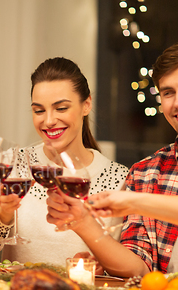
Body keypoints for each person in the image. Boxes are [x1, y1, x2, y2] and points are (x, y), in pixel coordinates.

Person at [0, 57, 129, 267]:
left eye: (61, 108)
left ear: (86, 105)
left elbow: (126, 265)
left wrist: (100, 265)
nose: (49, 121)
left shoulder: (119, 177)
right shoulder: (12, 164)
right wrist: (4, 214)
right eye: (39, 110)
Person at [46, 42, 178, 276]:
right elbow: (139, 268)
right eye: (168, 93)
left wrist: (135, 202)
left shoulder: (135, 195)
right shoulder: (146, 172)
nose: (176, 103)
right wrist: (82, 221)